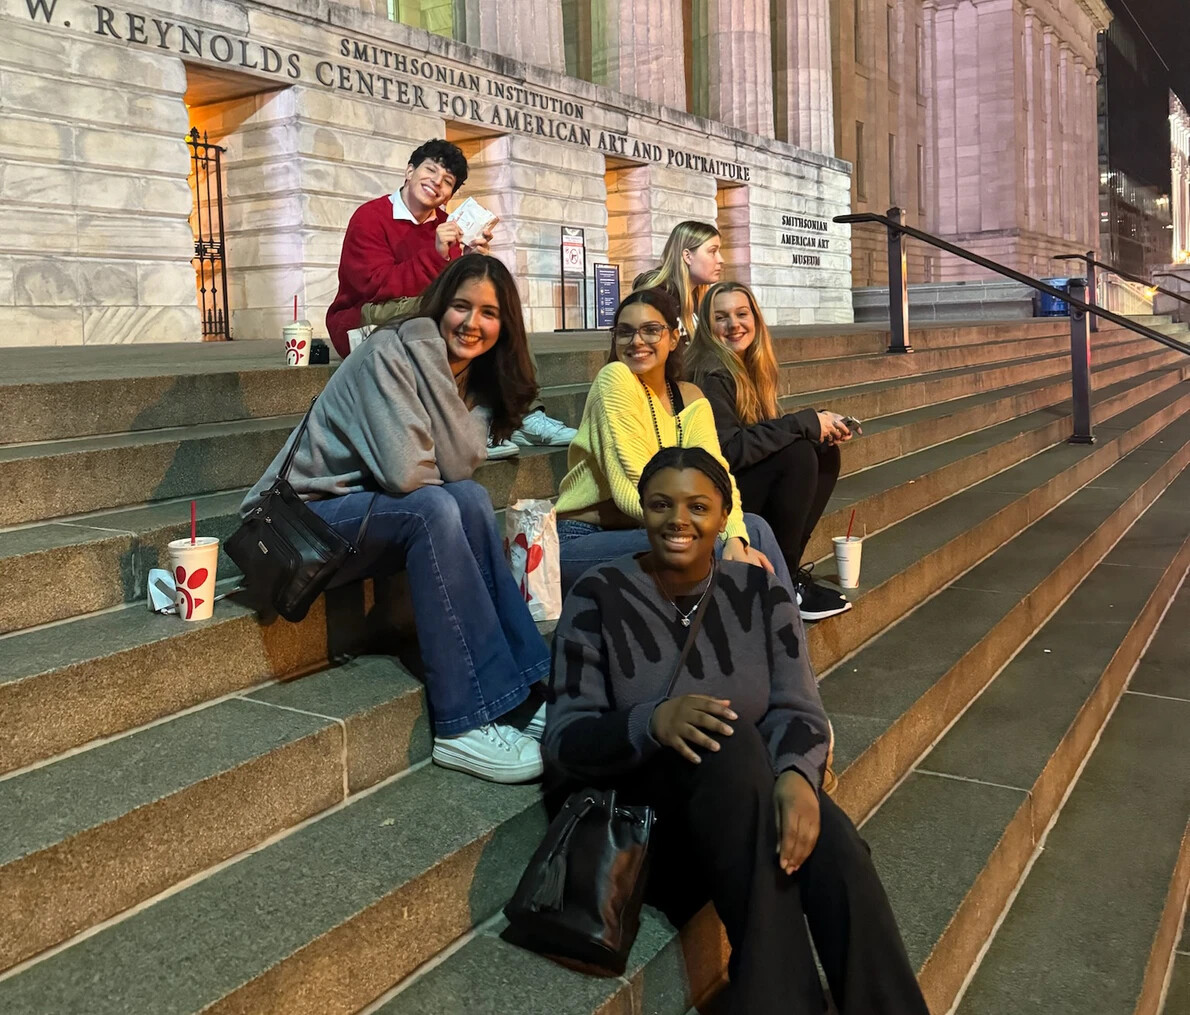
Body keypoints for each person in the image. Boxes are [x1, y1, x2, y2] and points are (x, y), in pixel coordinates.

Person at [543, 447, 929, 1015]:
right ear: (642, 512)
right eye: (660, 505)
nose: (678, 520)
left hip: (741, 823)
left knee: (836, 844)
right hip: (646, 834)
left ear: (724, 516)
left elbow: (797, 706)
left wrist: (800, 777)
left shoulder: (761, 593)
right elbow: (565, 739)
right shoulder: (598, 595)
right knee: (727, 734)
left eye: (698, 506)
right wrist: (649, 721)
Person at [242, 254, 549, 783]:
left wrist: (471, 394)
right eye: (461, 307)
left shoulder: (469, 374)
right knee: (435, 507)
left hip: (362, 515)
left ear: (507, 325)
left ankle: (521, 690)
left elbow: (458, 468)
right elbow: (411, 476)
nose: (472, 324)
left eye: (489, 313)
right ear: (440, 306)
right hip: (298, 524)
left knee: (470, 500)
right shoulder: (393, 350)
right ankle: (462, 723)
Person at [324, 137, 574, 456]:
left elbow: (454, 287)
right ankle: (467, 424)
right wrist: (437, 256)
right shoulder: (371, 216)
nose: (436, 183)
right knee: (450, 314)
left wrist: (469, 259)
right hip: (361, 319)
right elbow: (373, 285)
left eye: (447, 182)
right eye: (430, 170)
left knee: (491, 310)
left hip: (420, 313)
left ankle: (523, 416)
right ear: (409, 171)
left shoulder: (449, 226)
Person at [554, 287, 795, 599]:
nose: (636, 341)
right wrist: (711, 529)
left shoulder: (690, 396)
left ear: (673, 337)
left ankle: (783, 642)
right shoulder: (614, 380)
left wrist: (735, 534)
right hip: (585, 540)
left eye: (651, 330)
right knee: (707, 544)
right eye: (624, 332)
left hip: (651, 527)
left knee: (754, 529)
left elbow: (717, 476)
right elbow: (632, 489)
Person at [688, 281, 854, 621]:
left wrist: (816, 428)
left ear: (756, 320)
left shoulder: (749, 366)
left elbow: (763, 434)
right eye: (721, 317)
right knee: (797, 455)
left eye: (741, 314)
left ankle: (786, 572)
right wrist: (804, 423)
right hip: (711, 494)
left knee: (820, 452)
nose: (734, 324)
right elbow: (728, 450)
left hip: (734, 484)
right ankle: (783, 583)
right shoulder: (711, 371)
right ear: (707, 327)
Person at [634, 220, 724, 340]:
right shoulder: (654, 299)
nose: (720, 259)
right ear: (687, 256)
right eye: (712, 251)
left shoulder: (699, 297)